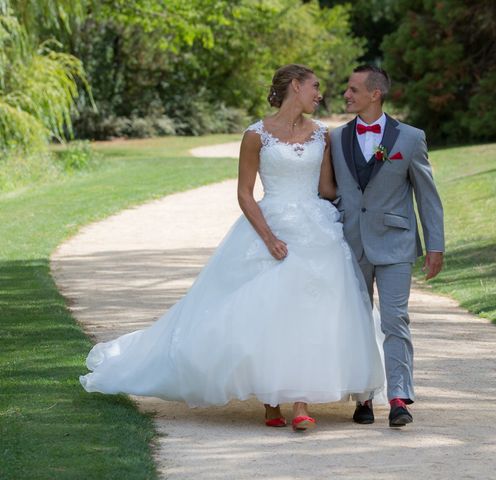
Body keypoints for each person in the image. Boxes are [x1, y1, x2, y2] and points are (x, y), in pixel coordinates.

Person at [80, 64, 384, 432]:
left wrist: (373, 190)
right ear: (295, 85)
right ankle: (272, 400)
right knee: (267, 311)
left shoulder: (322, 135)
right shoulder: (255, 135)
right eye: (315, 86)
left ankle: (300, 402)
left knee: (310, 311)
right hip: (268, 225)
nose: (320, 94)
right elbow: (244, 193)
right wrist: (269, 237)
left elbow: (327, 189)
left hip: (315, 229)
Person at [330, 65, 445, 428]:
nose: (346, 95)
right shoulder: (334, 139)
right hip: (350, 244)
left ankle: (398, 398)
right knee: (358, 321)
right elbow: (328, 192)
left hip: (396, 242)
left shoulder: (410, 138)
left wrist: (435, 245)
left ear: (375, 94)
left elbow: (427, 195)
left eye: (352, 89)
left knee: (395, 320)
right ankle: (363, 396)